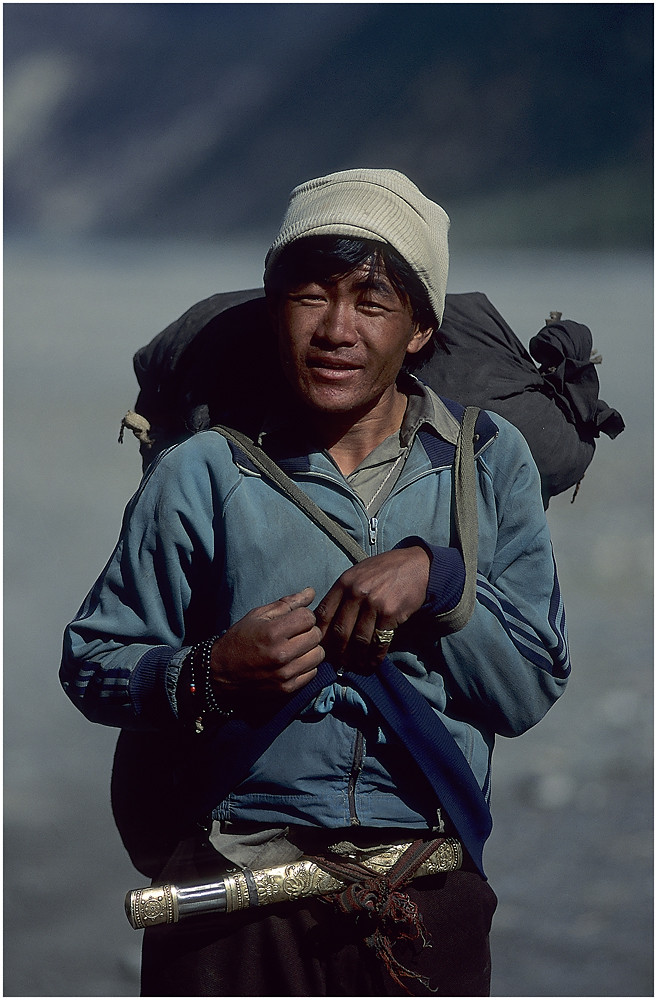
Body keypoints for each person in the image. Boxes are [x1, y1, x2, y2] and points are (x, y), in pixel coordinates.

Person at [60, 168, 570, 997]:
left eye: (371, 302)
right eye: (310, 297)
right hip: (231, 896)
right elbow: (92, 661)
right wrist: (210, 671)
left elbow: (527, 691)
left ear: (418, 329)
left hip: (426, 893)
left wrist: (440, 581)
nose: (337, 328)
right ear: (275, 312)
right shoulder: (203, 472)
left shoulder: (486, 462)